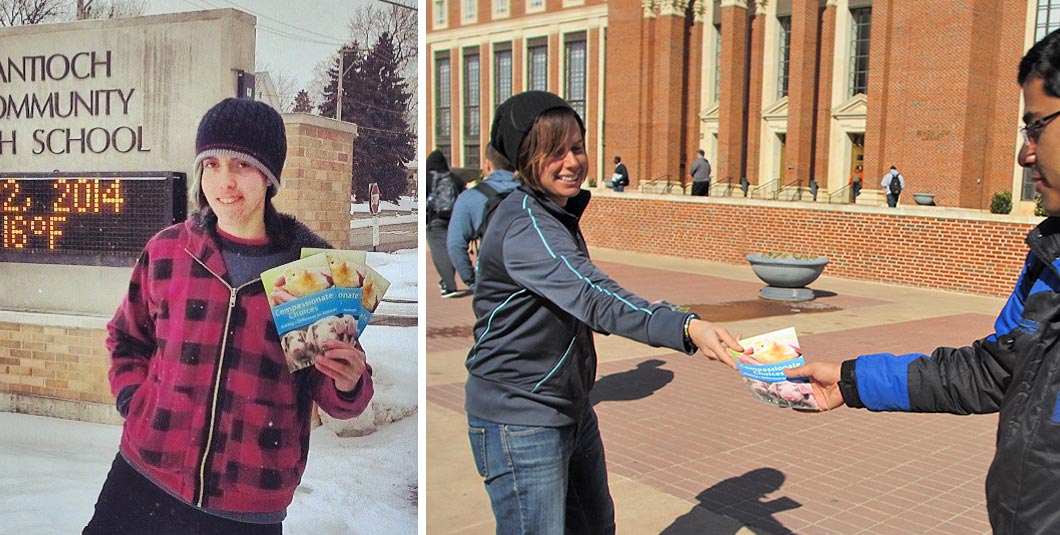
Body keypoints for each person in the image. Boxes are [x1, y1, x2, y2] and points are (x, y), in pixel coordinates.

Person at [784, 28, 1060, 535]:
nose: (1025, 153)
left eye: (1036, 127)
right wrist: (850, 381)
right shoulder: (1049, 258)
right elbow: (992, 370)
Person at [83, 98, 374, 535]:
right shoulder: (168, 251)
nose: (224, 181)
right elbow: (127, 337)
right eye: (212, 164)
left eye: (241, 165)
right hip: (141, 479)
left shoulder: (312, 274)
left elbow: (330, 389)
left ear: (269, 176)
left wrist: (348, 382)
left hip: (246, 506)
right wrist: (135, 402)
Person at [465, 90, 744, 535]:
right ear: (524, 159)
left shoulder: (550, 213)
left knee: (596, 527)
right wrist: (686, 326)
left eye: (576, 147)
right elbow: (596, 297)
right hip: (520, 421)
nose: (572, 162)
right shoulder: (526, 225)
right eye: (554, 152)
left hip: (569, 408)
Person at [446, 144, 518, 292]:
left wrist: (472, 281)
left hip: (491, 280)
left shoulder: (469, 197)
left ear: (487, 163)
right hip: (532, 280)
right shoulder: (535, 194)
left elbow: (455, 245)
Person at [426, 149, 464, 297]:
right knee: (451, 250)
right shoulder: (455, 178)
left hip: (434, 221)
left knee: (440, 252)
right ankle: (446, 280)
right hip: (454, 219)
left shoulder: (428, 178)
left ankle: (450, 286)